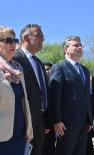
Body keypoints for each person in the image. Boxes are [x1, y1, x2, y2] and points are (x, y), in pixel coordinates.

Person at [50, 36, 93, 155]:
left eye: (80, 45)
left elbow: (87, 97)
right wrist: (57, 120)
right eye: (75, 45)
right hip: (66, 124)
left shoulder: (85, 70)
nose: (79, 47)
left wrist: (89, 120)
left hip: (84, 123)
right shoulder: (59, 67)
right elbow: (54, 96)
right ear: (66, 50)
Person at [13, 24, 50, 155]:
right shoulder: (15, 59)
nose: (42, 39)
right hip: (23, 122)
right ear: (26, 38)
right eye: (39, 36)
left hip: (40, 121)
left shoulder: (39, 62)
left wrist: (46, 119)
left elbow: (44, 92)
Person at [0, 26, 33, 154]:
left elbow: (25, 102)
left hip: (19, 133)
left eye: (14, 40)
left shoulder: (17, 68)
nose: (13, 43)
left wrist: (29, 129)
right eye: (8, 40)